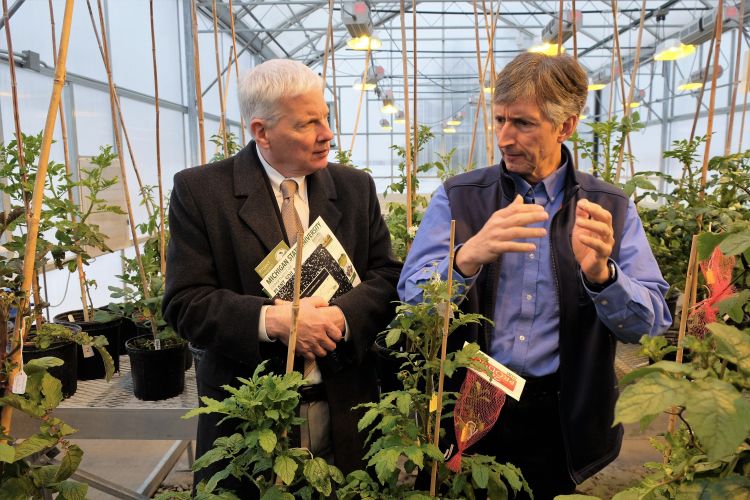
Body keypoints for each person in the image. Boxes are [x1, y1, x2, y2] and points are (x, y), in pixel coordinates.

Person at [398, 52, 672, 499]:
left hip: (560, 413)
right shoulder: (460, 197)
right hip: (469, 402)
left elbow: (651, 324)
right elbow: (412, 301)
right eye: (500, 119)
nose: (504, 138)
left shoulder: (609, 208)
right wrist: (467, 258)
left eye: (522, 123)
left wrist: (604, 276)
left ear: (565, 126)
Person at [163, 59, 401, 495]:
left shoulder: (354, 188)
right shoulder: (201, 192)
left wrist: (339, 318)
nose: (327, 133)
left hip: (344, 407)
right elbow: (185, 302)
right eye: (308, 123)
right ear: (262, 131)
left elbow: (387, 276)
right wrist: (275, 321)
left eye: (326, 116)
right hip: (250, 423)